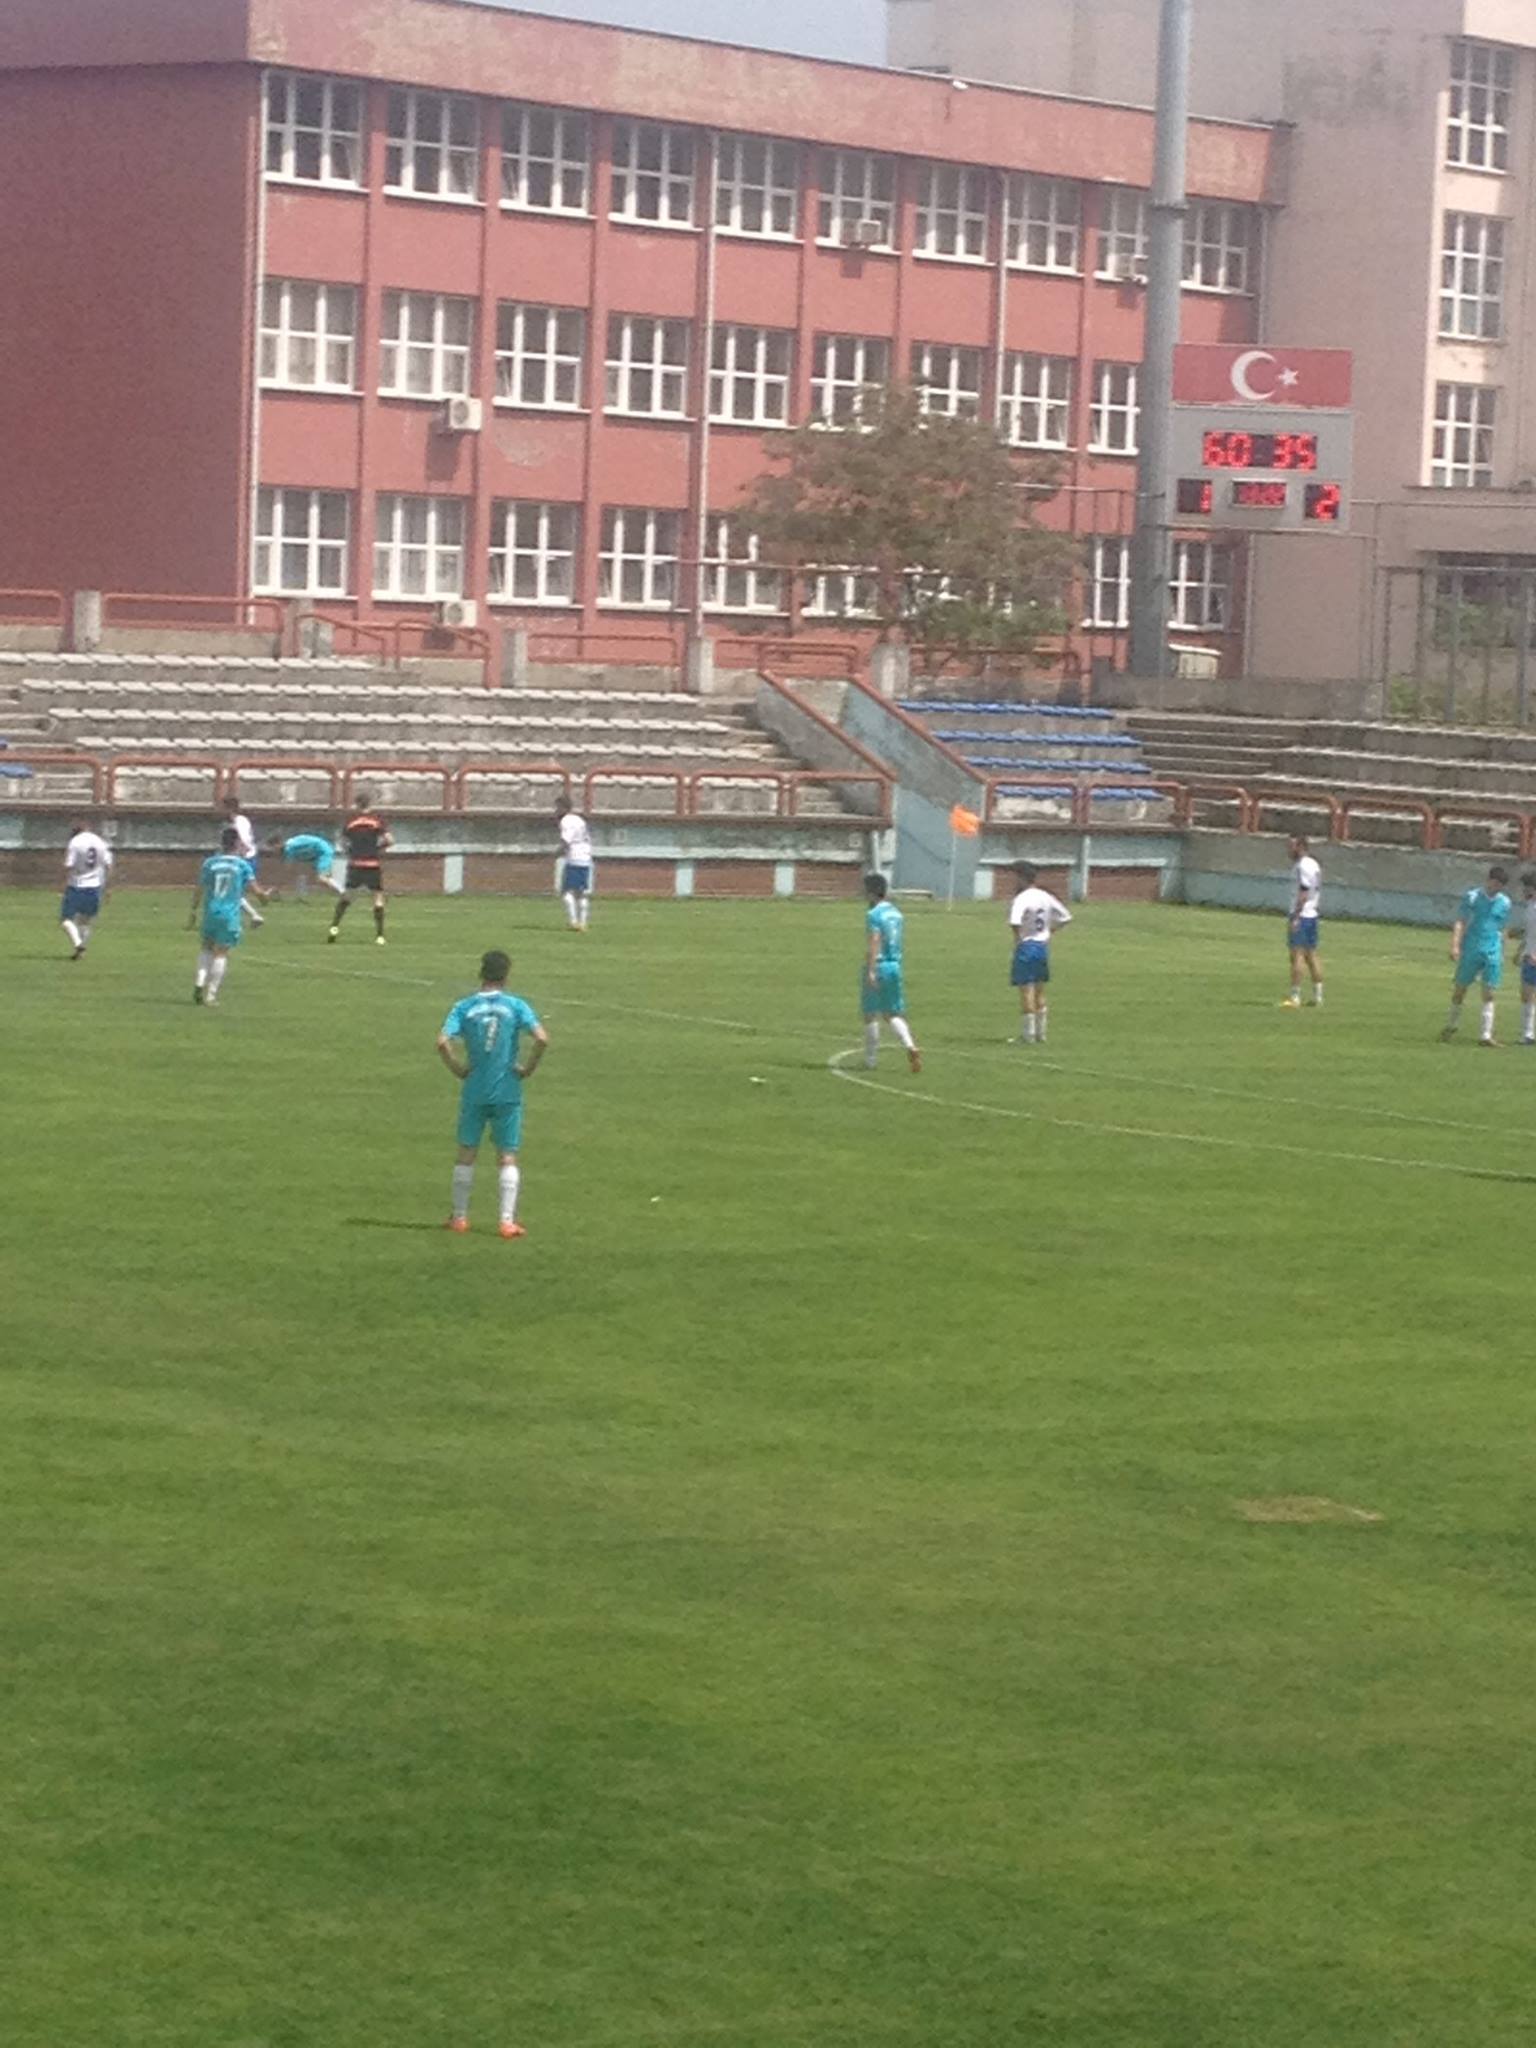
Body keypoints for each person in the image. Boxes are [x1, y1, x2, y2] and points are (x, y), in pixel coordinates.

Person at [437, 949, 549, 1238]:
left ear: (481, 973)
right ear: (506, 976)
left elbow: (442, 1041)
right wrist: (528, 1069)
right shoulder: (516, 1006)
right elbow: (541, 1038)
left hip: (475, 1088)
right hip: (507, 1090)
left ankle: (459, 1218)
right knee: (507, 1155)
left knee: (466, 1152)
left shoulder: (464, 1007)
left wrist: (458, 1068)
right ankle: (506, 1222)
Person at [188, 826, 273, 1005]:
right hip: (229, 915)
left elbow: (199, 889)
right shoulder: (242, 865)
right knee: (221, 953)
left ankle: (199, 983)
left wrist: (193, 911)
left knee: (206, 948)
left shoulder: (210, 863)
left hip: (210, 912)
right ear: (236, 843)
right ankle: (211, 995)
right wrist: (266, 897)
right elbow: (257, 892)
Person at [1442, 863, 1512, 1045]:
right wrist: (1455, 945)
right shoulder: (1472, 897)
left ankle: (1485, 1035)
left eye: (1500, 885)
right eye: (1495, 883)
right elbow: (1461, 921)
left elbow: (1503, 927)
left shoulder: (1505, 902)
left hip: (1492, 950)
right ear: (1488, 880)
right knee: (1460, 988)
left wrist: (1503, 951)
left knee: (1489, 991)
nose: (1497, 888)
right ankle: (1451, 1024)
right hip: (1472, 948)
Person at [861, 872, 921, 1073]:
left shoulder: (873, 915)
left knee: (870, 1014)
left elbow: (875, 941)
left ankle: (870, 1060)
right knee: (891, 1013)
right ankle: (910, 1045)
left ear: (871, 892)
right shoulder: (896, 913)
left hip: (879, 965)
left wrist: (871, 970)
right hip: (895, 965)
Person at [1009, 861, 1072, 1044]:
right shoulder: (1045, 896)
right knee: (1040, 990)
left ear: (1021, 877)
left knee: (1026, 990)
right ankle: (1041, 1034)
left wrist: (1018, 939)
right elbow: (1066, 917)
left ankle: (1028, 1035)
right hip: (1041, 947)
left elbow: (1015, 921)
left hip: (1026, 946)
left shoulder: (1021, 898)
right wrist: (1049, 931)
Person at [329, 794, 392, 945]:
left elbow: (342, 842)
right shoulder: (377, 820)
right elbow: (390, 840)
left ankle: (334, 928)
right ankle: (380, 936)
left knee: (347, 897)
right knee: (377, 897)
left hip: (355, 864)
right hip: (372, 864)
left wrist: (350, 851)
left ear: (357, 804)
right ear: (370, 803)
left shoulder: (350, 821)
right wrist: (377, 848)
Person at [60, 819, 114, 960]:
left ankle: (78, 945)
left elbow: (68, 865)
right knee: (85, 922)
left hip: (76, 886)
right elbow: (108, 865)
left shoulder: (75, 842)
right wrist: (108, 887)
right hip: (95, 887)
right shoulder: (100, 842)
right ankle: (81, 950)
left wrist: (62, 884)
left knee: (66, 920)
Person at [1282, 834, 1323, 1008]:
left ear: (1300, 847)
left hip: (1303, 914)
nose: (1288, 850)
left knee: (1296, 955)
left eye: (1291, 846)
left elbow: (1304, 892)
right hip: (1312, 914)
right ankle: (1318, 996)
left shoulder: (1302, 866)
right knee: (1311, 955)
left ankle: (1295, 996)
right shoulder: (1314, 864)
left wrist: (1296, 916)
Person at [221, 796, 266, 928]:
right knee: (234, 891)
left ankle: (256, 913)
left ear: (229, 808)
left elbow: (244, 840)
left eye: (223, 808)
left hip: (245, 859)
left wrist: (240, 855)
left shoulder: (240, 821)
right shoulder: (237, 821)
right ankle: (255, 914)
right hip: (246, 858)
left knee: (232, 891)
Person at [269, 831, 344, 901]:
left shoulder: (289, 848)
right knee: (323, 879)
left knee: (322, 878)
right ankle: (341, 894)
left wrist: (276, 888)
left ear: (278, 844)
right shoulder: (288, 847)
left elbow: (287, 871)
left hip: (323, 852)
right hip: (318, 854)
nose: (273, 851)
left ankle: (343, 892)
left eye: (273, 848)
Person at [556, 800, 594, 932]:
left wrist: (557, 852)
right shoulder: (579, 819)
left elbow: (566, 840)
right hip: (586, 858)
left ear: (563, 808)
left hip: (574, 858)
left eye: (557, 808)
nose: (556, 811)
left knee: (567, 892)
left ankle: (573, 922)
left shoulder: (566, 821)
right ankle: (583, 923)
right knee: (582, 893)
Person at [1518, 871, 1536, 1046]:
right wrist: (1520, 951)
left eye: (1526, 887)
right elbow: (1528, 934)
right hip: (1528, 955)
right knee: (1526, 994)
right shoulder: (1530, 907)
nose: (1524, 891)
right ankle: (1528, 1033)